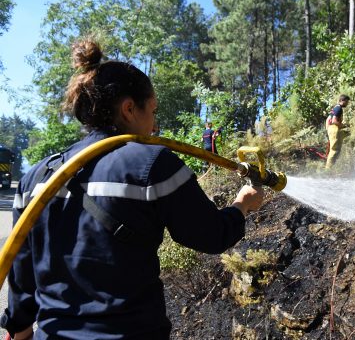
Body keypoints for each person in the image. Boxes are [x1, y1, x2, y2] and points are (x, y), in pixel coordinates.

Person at [0, 39, 264, 340]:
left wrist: (19, 332)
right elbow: (211, 235)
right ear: (129, 108)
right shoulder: (153, 163)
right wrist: (243, 204)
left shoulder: (36, 177)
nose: (153, 126)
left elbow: (21, 274)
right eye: (151, 111)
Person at [325, 94, 350, 169]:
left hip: (332, 129)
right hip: (334, 129)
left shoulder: (335, 108)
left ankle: (330, 168)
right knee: (334, 150)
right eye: (346, 102)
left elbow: (328, 119)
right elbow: (334, 120)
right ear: (342, 100)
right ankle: (328, 170)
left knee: (335, 149)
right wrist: (343, 126)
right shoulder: (338, 108)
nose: (347, 103)